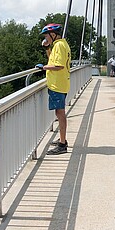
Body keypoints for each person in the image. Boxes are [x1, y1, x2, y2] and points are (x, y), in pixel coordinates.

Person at [36, 23, 71, 155]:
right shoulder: (59, 45)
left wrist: (43, 68)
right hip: (60, 83)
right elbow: (53, 60)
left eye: (46, 35)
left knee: (60, 113)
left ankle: (62, 144)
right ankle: (62, 139)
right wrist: (46, 48)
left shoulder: (60, 45)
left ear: (53, 34)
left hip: (58, 84)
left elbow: (59, 65)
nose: (46, 37)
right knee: (59, 112)